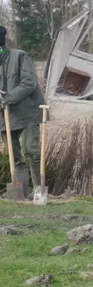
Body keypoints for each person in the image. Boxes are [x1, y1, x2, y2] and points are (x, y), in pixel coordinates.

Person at [0, 26, 46, 198]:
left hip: (28, 112)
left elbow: (29, 83)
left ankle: (39, 190)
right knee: (13, 156)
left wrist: (8, 97)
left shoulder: (19, 57)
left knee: (31, 150)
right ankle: (21, 193)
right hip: (5, 115)